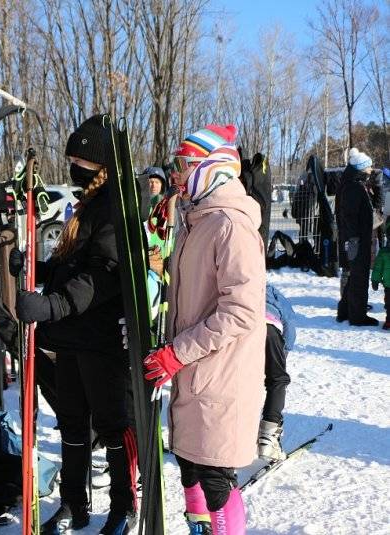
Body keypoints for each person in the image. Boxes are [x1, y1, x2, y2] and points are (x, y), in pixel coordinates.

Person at [16, 115, 137, 534]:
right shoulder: (87, 201)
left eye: (79, 162)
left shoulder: (117, 205)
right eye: (70, 160)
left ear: (101, 165)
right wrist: (41, 269)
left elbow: (103, 273)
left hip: (101, 337)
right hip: (70, 336)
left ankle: (123, 504)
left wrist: (53, 305)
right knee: (71, 423)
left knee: (111, 424)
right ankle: (73, 503)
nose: (73, 169)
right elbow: (74, 264)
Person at [142, 124, 265, 535]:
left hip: (219, 373)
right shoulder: (197, 220)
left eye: (183, 165)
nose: (175, 174)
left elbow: (242, 309)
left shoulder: (231, 224)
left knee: (214, 476)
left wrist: (178, 352)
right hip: (194, 371)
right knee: (190, 464)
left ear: (212, 169)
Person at [336, 148, 378, 326]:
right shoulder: (354, 186)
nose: (371, 170)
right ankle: (358, 316)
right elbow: (350, 215)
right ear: (361, 168)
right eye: (368, 167)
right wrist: (354, 239)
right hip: (357, 240)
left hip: (355, 239)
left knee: (353, 276)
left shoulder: (352, 184)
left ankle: (345, 311)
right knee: (359, 277)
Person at [258, 283, 296, 461]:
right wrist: (284, 351)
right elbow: (289, 319)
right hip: (269, 329)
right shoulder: (271, 290)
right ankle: (268, 438)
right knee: (278, 380)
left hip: (240, 326)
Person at [371, 244, 390, 330]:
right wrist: (375, 280)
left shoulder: (384, 252)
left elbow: (378, 267)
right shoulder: (384, 252)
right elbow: (378, 267)